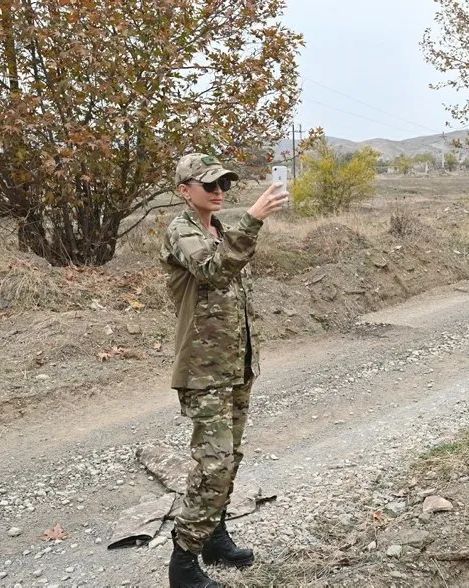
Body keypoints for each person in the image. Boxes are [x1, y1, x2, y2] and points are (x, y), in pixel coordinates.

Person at [159, 153, 288, 588]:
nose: (219, 192)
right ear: (184, 190)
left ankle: (214, 537)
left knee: (229, 459)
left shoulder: (217, 229)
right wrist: (253, 218)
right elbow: (213, 270)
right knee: (212, 465)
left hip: (235, 366)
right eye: (209, 184)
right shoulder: (181, 230)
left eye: (224, 185)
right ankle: (183, 563)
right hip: (202, 371)